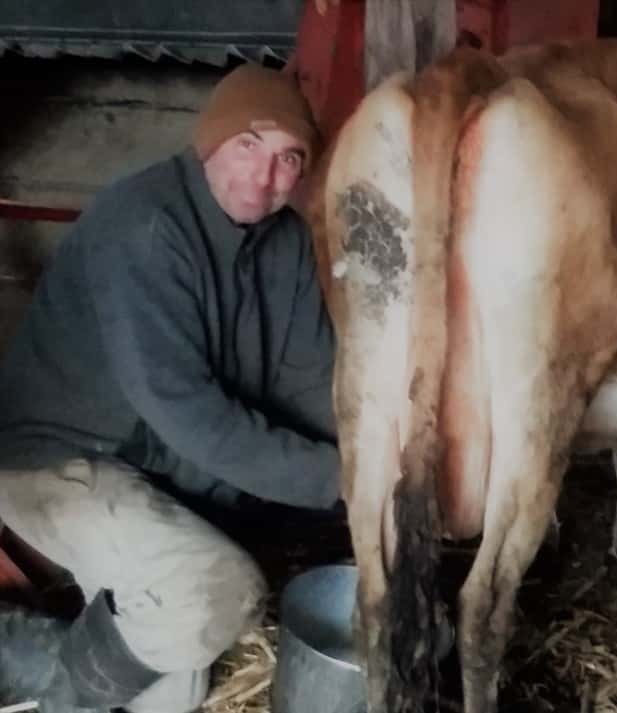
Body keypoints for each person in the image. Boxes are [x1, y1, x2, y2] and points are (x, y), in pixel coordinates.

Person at [0, 62, 340, 713]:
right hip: (59, 461)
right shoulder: (147, 224)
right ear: (210, 141)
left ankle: (65, 667)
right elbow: (190, 415)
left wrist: (383, 457)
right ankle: (49, 690)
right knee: (213, 589)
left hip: (149, 478)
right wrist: (340, 478)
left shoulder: (287, 244)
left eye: (289, 157)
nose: (266, 177)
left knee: (176, 687)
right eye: (249, 145)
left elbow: (308, 383)